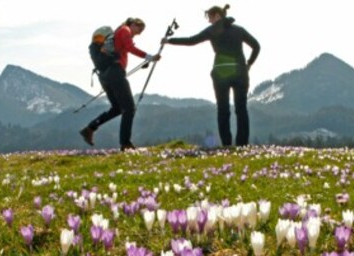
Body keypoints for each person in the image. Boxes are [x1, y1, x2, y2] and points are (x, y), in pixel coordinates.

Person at [162, 4, 259, 147]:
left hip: (220, 74)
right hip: (240, 72)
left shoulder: (212, 30)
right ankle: (242, 145)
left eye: (210, 18)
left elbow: (191, 41)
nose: (209, 21)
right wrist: (249, 64)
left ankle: (227, 144)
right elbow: (257, 46)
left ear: (217, 16)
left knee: (223, 110)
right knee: (241, 109)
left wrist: (169, 41)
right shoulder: (239, 30)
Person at [80, 18, 159, 151]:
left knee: (117, 108)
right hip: (115, 72)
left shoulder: (117, 34)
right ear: (133, 24)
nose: (137, 34)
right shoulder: (124, 30)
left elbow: (124, 49)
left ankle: (90, 128)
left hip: (104, 75)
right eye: (138, 30)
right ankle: (125, 143)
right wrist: (148, 56)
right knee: (129, 108)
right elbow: (130, 47)